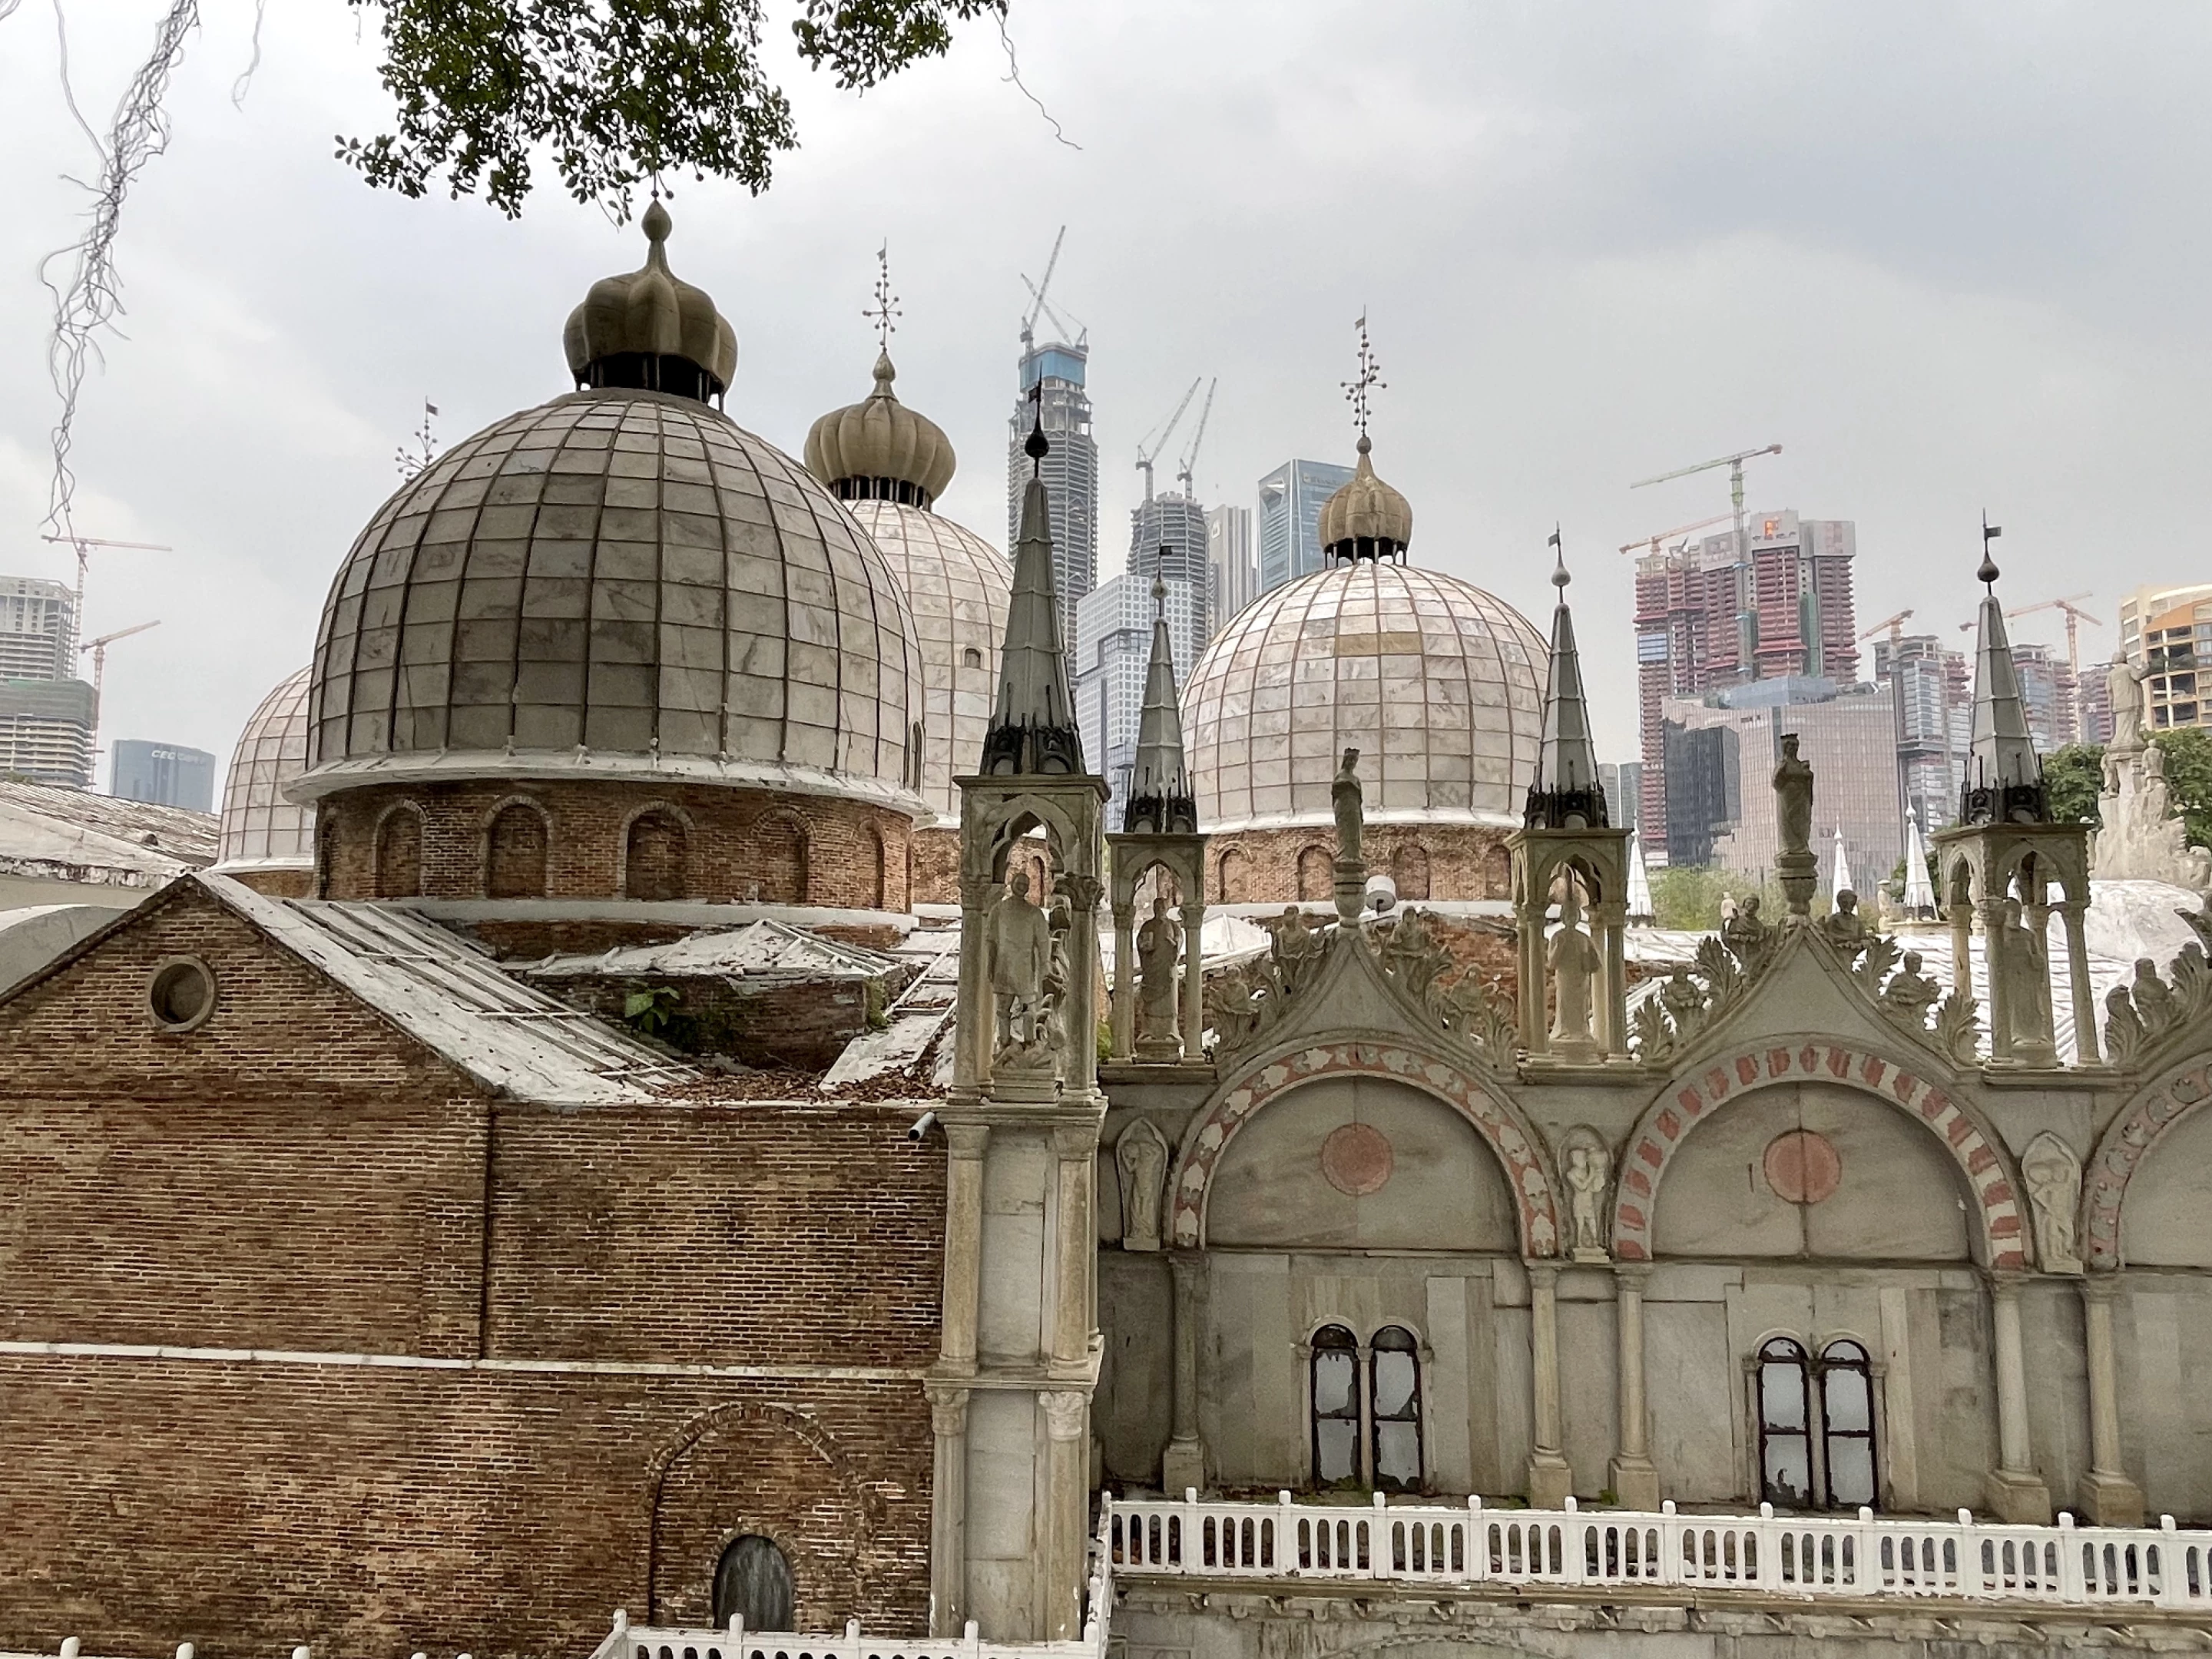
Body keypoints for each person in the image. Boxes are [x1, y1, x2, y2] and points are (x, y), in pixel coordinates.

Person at [988, 868, 1053, 1055]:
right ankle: (1005, 1043)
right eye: (1019, 883)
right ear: (1012, 885)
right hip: (1004, 965)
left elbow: (1043, 941)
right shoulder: (998, 910)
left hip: (1025, 967)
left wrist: (1044, 964)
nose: (1022, 887)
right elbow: (991, 940)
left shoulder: (1034, 913)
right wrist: (989, 964)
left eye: (1025, 885)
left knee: (1029, 1010)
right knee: (1003, 1009)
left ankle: (1030, 1043)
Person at [1331, 747, 1364, 865]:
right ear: (1345, 761)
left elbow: (1360, 798)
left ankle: (1355, 856)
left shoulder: (1356, 779)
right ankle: (1344, 855)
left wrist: (1360, 814)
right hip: (1344, 809)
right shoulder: (1340, 775)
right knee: (1345, 832)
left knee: (1354, 834)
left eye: (1354, 760)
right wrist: (1349, 785)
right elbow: (1336, 790)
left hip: (1354, 809)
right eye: (1350, 760)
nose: (1352, 763)